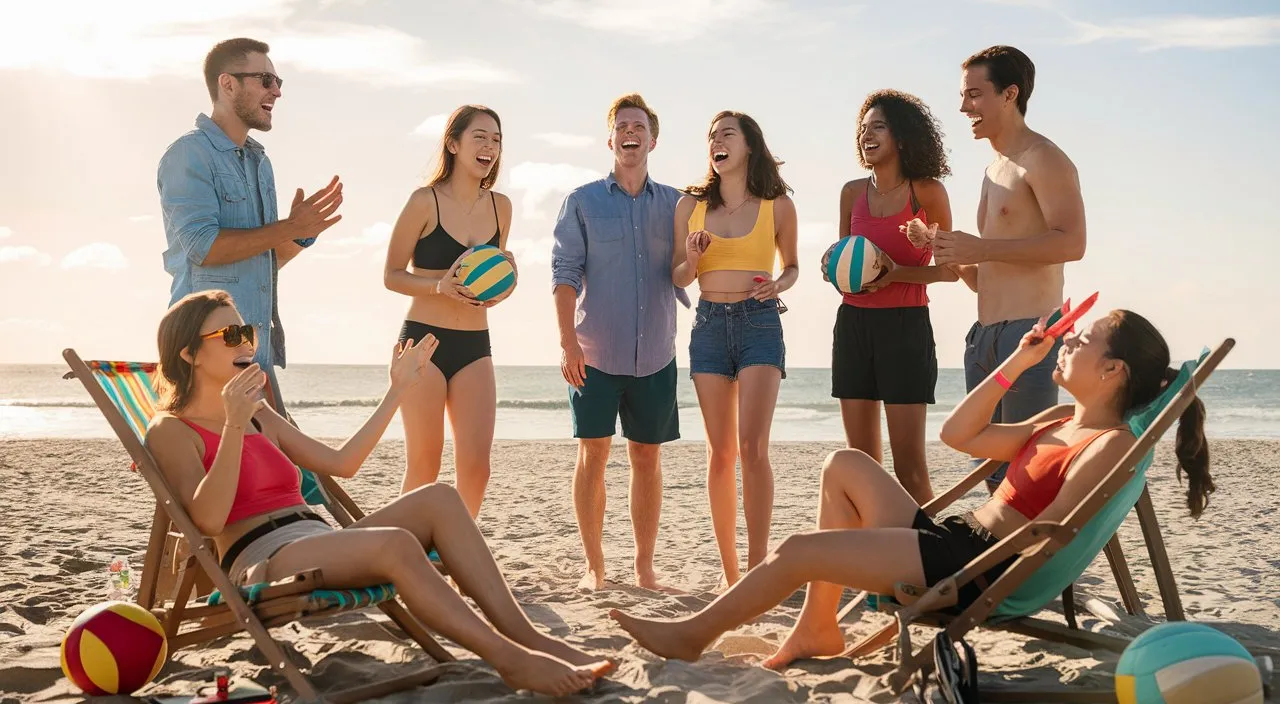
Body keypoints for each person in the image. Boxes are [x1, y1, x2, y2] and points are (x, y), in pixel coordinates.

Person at [609, 309, 1214, 671]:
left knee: (798, 548)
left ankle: (694, 635)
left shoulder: (1105, 446)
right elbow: (958, 434)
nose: (1070, 338)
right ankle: (818, 627)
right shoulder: (1057, 420)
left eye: (1087, 341)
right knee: (843, 464)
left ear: (1113, 372)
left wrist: (964, 565)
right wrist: (1019, 365)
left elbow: (1047, 534)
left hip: (976, 569)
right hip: (956, 541)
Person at [143, 290, 612, 697]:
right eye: (228, 336)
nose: (245, 342)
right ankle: (508, 659)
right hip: (263, 557)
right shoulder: (171, 430)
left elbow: (343, 463)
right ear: (188, 355)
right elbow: (206, 520)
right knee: (395, 544)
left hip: (316, 537)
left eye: (245, 330)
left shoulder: (260, 413)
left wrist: (398, 389)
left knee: (440, 498)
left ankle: (533, 640)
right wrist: (232, 426)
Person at [158, 37, 344, 413]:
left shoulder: (259, 162)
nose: (276, 91)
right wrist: (288, 226)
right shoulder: (188, 154)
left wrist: (301, 234)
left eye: (278, 83)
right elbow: (203, 248)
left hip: (253, 349)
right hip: (208, 354)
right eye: (265, 80)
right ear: (227, 84)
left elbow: (262, 262)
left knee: (289, 466)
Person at [934, 45, 1087, 492]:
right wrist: (953, 254)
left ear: (1009, 94)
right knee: (991, 476)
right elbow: (987, 275)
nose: (964, 107)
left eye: (974, 95)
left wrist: (979, 247)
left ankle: (1031, 561)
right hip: (983, 337)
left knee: (1026, 476)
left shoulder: (1045, 158)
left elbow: (1072, 243)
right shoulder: (992, 171)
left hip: (1031, 337)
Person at [551, 94, 686, 591]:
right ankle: (594, 566)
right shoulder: (581, 201)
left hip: (656, 354)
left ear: (653, 139)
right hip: (594, 353)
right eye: (622, 126)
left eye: (640, 126)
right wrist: (568, 343)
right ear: (611, 139)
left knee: (647, 457)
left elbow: (691, 263)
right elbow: (564, 275)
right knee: (593, 453)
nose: (631, 133)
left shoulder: (677, 203)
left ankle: (644, 566)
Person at [672, 111, 798, 587]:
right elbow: (678, 277)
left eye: (727, 134)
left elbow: (792, 267)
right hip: (708, 324)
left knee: (753, 449)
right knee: (720, 453)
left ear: (749, 146)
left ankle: (758, 566)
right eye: (711, 136)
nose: (716, 141)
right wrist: (694, 258)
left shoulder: (777, 205)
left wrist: (777, 285)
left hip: (759, 323)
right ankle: (730, 574)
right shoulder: (690, 206)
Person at [383, 104, 516, 517]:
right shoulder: (424, 202)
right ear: (454, 144)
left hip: (475, 344)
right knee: (424, 465)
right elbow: (391, 274)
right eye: (480, 137)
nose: (489, 146)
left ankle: (459, 556)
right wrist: (438, 286)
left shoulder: (501, 207)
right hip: (423, 342)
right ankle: (407, 560)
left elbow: (489, 277)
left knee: (477, 468)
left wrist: (506, 283)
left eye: (496, 139)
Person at [827, 90, 956, 505]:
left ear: (902, 136)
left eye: (878, 126)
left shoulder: (928, 193)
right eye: (863, 128)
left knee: (909, 467)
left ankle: (927, 558)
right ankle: (875, 560)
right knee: (861, 464)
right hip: (854, 326)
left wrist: (897, 274)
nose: (867, 134)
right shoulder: (851, 192)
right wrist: (832, 269)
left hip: (905, 326)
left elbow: (951, 270)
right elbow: (847, 264)